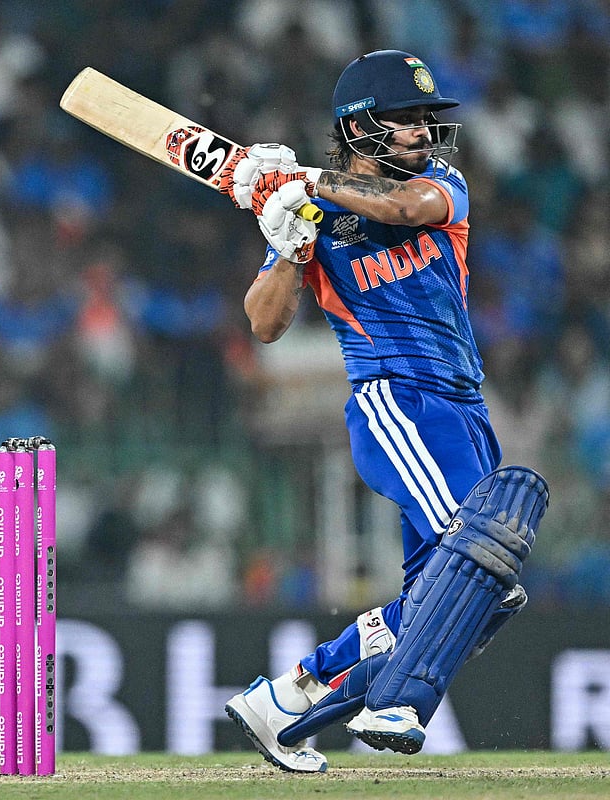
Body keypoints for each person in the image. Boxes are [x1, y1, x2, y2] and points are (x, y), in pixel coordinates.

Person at [219, 50, 548, 773]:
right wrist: (287, 247)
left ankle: (289, 699)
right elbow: (265, 324)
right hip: (396, 402)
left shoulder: (442, 186)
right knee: (479, 566)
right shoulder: (313, 214)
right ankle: (393, 703)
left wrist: (301, 182)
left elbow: (402, 211)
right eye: (404, 120)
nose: (422, 133)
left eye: (426, 120)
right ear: (359, 125)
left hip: (463, 411)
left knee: (472, 596)